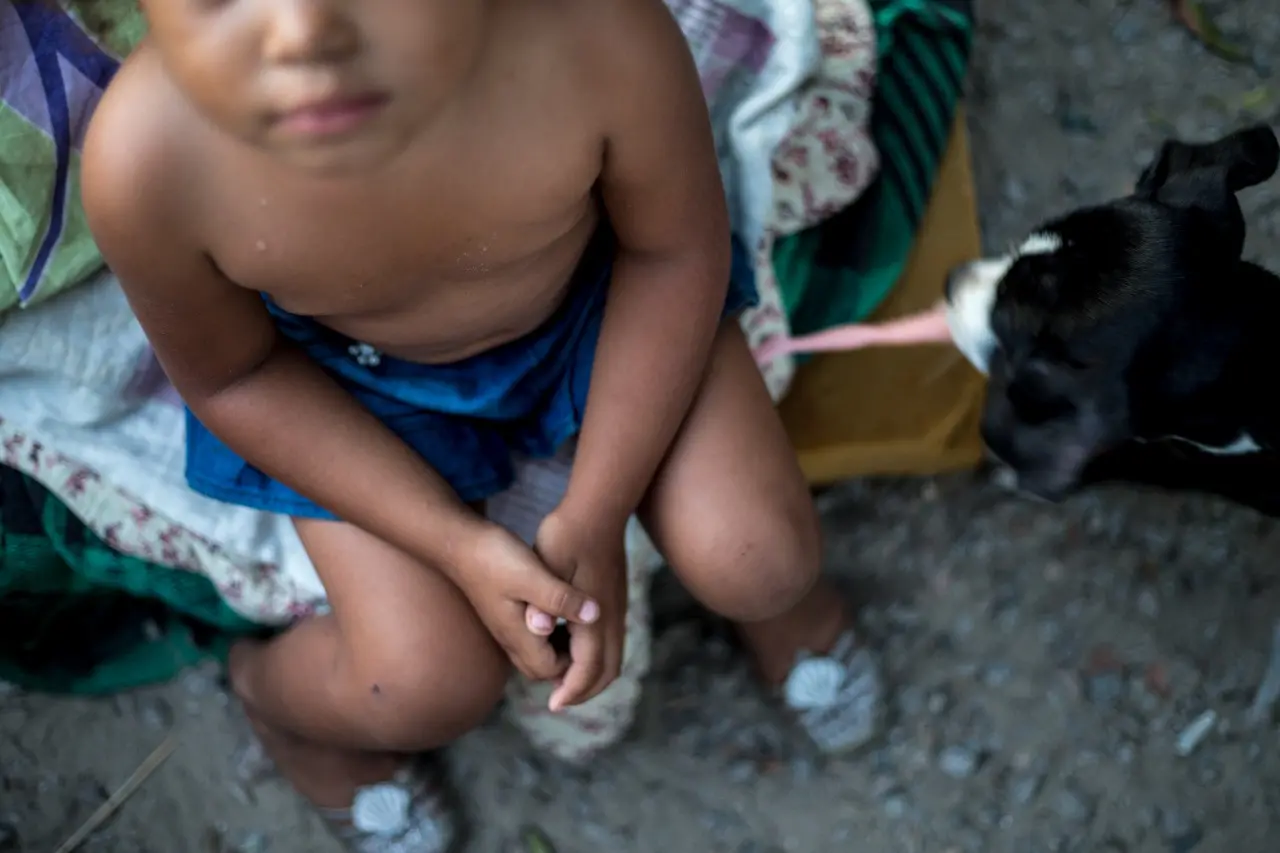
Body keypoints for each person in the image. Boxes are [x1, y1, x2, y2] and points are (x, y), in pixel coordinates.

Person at [83, 0, 884, 848]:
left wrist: (598, 506)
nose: (302, 32)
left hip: (599, 297)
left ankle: (779, 609)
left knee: (760, 558)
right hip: (350, 385)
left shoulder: (591, 32)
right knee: (424, 683)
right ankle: (277, 705)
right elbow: (238, 376)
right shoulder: (150, 162)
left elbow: (673, 251)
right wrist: (455, 543)